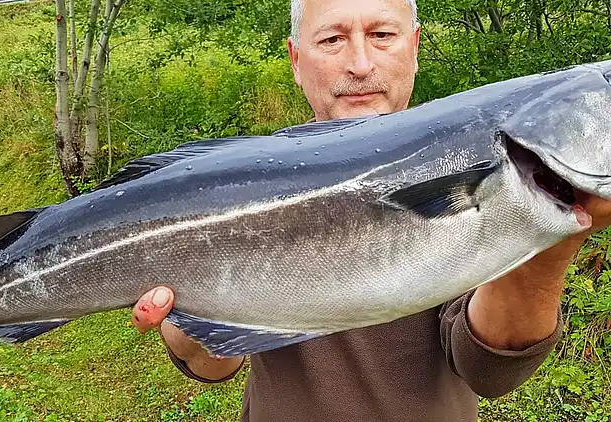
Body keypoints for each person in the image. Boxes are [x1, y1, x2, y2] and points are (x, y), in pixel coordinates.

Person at [130, 0, 611, 420]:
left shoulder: (465, 160)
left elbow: (488, 371)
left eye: (381, 35)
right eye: (332, 39)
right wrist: (190, 321)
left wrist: (555, 233)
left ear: (414, 48)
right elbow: (212, 366)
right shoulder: (235, 180)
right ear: (296, 60)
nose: (360, 64)